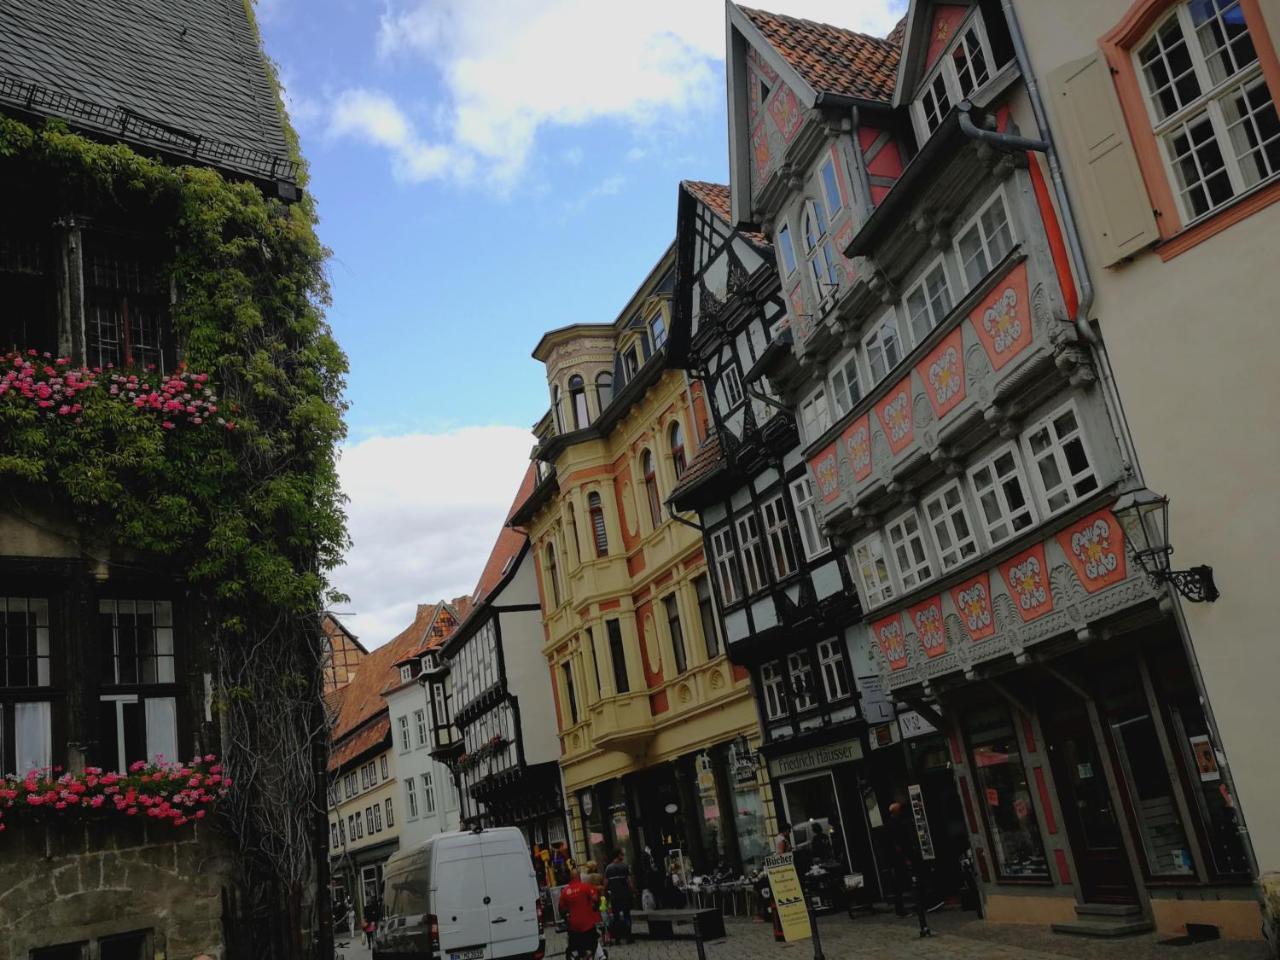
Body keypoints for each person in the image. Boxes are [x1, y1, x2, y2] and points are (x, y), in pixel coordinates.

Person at [886, 800, 931, 937]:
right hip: (900, 858)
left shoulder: (899, 822)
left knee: (907, 881)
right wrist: (904, 856)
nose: (901, 812)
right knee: (902, 882)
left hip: (903, 855)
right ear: (894, 811)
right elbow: (895, 842)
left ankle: (916, 905)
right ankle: (904, 908)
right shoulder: (893, 824)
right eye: (899, 810)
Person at [559, 872, 603, 959]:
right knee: (593, 938)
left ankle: (577, 955)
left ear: (570, 878)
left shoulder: (565, 891)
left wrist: (565, 918)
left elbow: (561, 908)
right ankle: (600, 956)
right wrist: (595, 908)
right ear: (579, 877)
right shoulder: (586, 887)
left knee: (574, 942)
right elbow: (595, 899)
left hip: (574, 925)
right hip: (588, 923)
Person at [605, 850, 636, 945]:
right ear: (618, 855)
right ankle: (628, 936)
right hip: (625, 895)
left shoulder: (608, 868)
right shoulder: (624, 866)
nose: (623, 856)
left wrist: (605, 894)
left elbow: (605, 883)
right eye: (622, 854)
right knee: (627, 915)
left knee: (616, 917)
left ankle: (618, 938)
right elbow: (629, 881)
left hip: (614, 897)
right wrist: (633, 891)